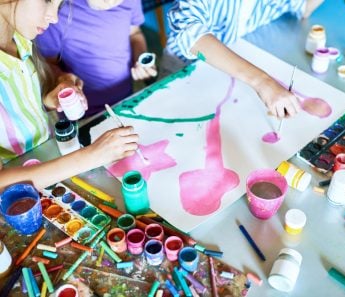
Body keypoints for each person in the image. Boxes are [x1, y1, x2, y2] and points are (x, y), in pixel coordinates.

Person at [0, 0, 139, 192]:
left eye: (59, 6)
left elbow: (14, 111)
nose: (54, 17)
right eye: (48, 1)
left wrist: (50, 101)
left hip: (50, 165)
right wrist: (91, 156)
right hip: (20, 199)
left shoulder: (19, 39)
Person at [164, 0, 324, 118]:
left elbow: (304, 8)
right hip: (184, 70)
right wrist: (262, 82)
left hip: (234, 72)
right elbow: (190, 35)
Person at [36, 0, 158, 118]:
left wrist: (141, 60)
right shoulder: (59, 13)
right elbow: (47, 63)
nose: (111, 3)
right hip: (84, 112)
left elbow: (134, 33)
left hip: (127, 96)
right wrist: (63, 79)